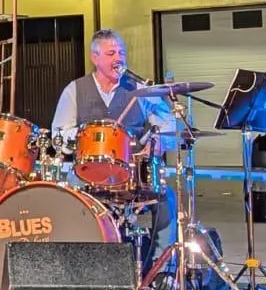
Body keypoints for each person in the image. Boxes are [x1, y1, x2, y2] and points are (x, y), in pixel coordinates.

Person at [50, 30, 178, 255]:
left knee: (166, 198)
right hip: (87, 173)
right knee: (66, 197)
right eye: (111, 54)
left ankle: (160, 264)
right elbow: (58, 136)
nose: (119, 59)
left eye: (122, 53)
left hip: (132, 172)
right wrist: (87, 133)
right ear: (95, 58)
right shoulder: (75, 90)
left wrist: (157, 141)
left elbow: (168, 122)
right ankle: (76, 259)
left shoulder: (139, 88)